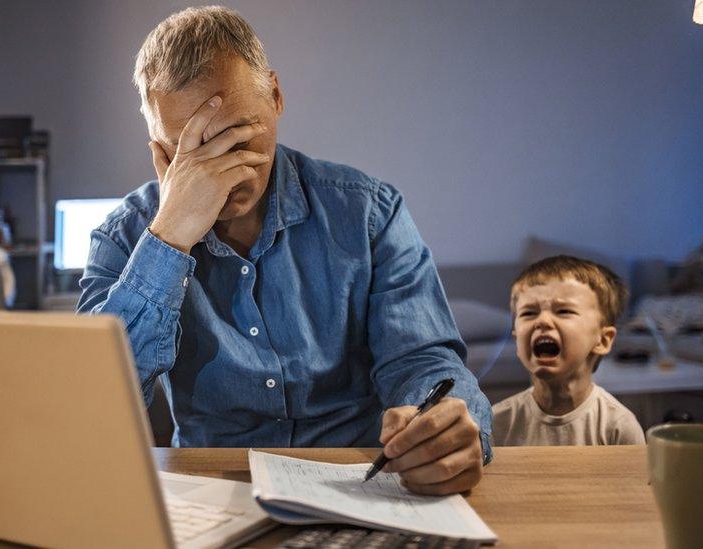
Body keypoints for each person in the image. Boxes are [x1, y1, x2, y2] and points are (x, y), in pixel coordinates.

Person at [77, 6, 493, 495]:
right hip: (211, 488)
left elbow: (422, 361)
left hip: (361, 480)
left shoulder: (368, 212)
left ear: (275, 96)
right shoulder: (125, 236)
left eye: (237, 135)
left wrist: (440, 424)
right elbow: (93, 401)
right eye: (193, 152)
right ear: (160, 149)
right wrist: (169, 237)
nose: (225, 170)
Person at [492, 255, 645, 446]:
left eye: (563, 311)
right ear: (517, 341)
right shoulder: (496, 423)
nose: (542, 321)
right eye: (529, 313)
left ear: (603, 340)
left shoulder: (618, 426)